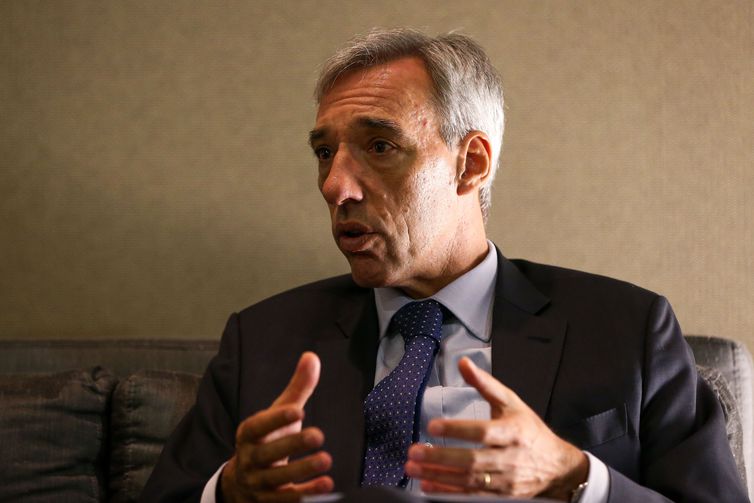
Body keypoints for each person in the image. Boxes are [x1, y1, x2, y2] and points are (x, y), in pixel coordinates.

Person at [141, 29, 747, 503]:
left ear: (471, 164)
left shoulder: (626, 329)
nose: (334, 185)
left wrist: (575, 477)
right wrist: (228, 492)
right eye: (325, 152)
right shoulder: (262, 340)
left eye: (380, 146)